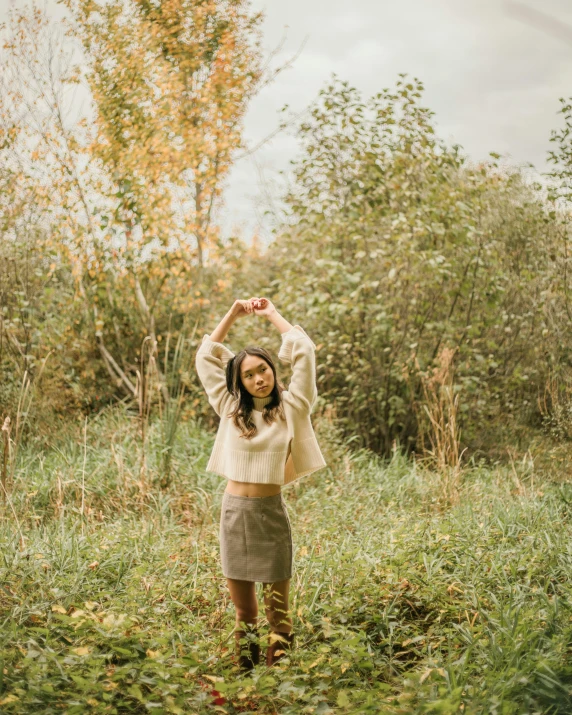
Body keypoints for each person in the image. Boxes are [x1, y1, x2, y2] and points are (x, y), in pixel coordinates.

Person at [195, 297, 327, 674]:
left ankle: (277, 684)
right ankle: (245, 677)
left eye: (263, 369)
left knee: (277, 612)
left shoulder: (291, 406)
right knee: (245, 612)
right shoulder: (230, 408)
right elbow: (205, 357)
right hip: (234, 515)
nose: (258, 378)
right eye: (249, 374)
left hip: (269, 515)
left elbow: (302, 351)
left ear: (272, 369)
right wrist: (233, 314)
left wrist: (271, 314)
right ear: (240, 381)